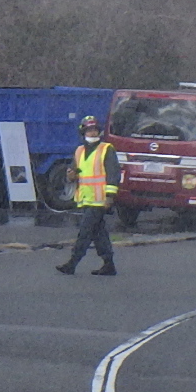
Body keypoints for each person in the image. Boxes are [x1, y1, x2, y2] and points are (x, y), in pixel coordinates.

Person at [56, 114, 119, 276]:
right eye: (89, 130)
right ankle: (108, 263)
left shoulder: (106, 149)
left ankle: (72, 263)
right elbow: (74, 172)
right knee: (98, 233)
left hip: (99, 200)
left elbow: (113, 174)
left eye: (95, 130)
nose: (93, 133)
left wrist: (110, 196)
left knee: (85, 231)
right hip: (86, 199)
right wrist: (71, 175)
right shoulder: (79, 151)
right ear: (83, 132)